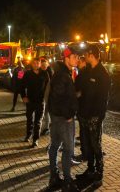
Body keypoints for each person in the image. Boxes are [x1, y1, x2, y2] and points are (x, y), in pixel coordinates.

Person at [75, 46, 110, 188]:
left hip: (94, 116)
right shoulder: (89, 71)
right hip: (84, 114)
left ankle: (99, 173)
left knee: (96, 145)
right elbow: (81, 88)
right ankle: (90, 170)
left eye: (87, 54)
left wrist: (98, 116)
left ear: (92, 55)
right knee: (88, 145)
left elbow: (103, 99)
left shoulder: (103, 74)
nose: (85, 56)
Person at [48, 48, 79, 192]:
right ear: (67, 59)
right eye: (74, 57)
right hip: (63, 118)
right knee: (68, 149)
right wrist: (68, 115)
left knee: (54, 145)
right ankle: (67, 182)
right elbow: (58, 98)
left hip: (57, 116)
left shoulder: (62, 74)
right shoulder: (63, 76)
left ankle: (54, 177)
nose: (77, 59)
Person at [21, 58, 50, 148]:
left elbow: (49, 86)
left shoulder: (45, 74)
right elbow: (21, 85)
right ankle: (28, 135)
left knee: (38, 121)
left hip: (40, 101)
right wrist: (23, 96)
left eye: (38, 63)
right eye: (34, 63)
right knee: (29, 119)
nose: (36, 64)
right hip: (30, 100)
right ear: (32, 64)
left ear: (40, 64)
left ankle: (35, 139)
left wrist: (47, 98)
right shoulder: (27, 74)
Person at [40, 57, 54, 136]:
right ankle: (47, 126)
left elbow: (49, 85)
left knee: (46, 112)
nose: (43, 67)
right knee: (45, 112)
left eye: (44, 65)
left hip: (48, 95)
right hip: (45, 95)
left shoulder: (49, 72)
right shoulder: (44, 71)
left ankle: (47, 127)